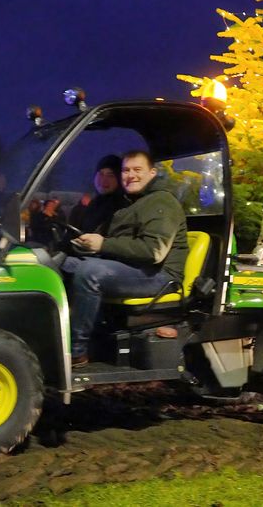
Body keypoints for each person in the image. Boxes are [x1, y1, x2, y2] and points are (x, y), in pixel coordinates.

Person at [64, 150, 189, 366]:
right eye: (125, 170)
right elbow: (122, 244)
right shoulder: (131, 202)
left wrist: (102, 243)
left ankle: (76, 351)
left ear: (152, 173)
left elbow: (153, 252)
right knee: (64, 264)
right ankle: (62, 334)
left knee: (89, 272)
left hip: (160, 276)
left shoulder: (161, 202)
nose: (130, 175)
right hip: (134, 268)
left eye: (137, 170)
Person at [68, 154, 129, 234]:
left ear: (119, 179)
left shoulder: (121, 207)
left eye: (110, 175)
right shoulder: (95, 203)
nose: (104, 180)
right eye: (101, 174)